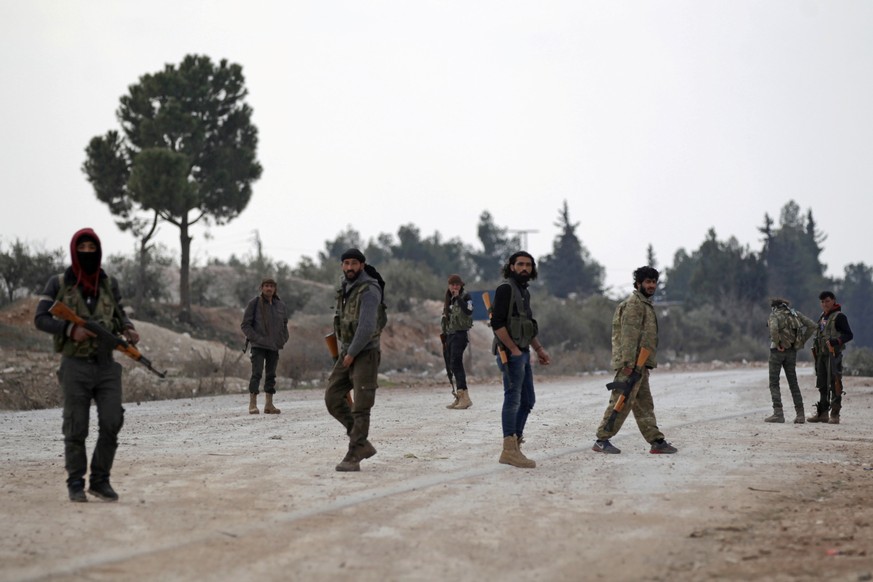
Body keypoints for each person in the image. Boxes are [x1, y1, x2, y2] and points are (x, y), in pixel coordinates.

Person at [34, 228, 139, 502]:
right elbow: (40, 318)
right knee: (76, 425)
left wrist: (128, 328)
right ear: (74, 250)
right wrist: (69, 330)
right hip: (75, 366)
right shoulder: (59, 283)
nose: (88, 253)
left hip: (106, 366)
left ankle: (100, 480)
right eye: (83, 248)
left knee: (112, 420)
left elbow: (119, 312)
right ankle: (75, 483)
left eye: (93, 249)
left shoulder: (108, 283)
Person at [592, 266, 676, 455]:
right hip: (632, 365)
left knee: (644, 403)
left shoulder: (644, 304)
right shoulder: (634, 304)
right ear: (638, 284)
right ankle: (601, 440)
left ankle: (656, 441)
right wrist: (629, 364)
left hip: (640, 364)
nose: (651, 285)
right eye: (648, 282)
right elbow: (628, 336)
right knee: (620, 401)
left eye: (654, 282)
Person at [325, 249, 387, 471]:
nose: (349, 267)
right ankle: (361, 442)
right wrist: (346, 351)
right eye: (346, 263)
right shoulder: (345, 288)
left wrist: (352, 353)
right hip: (347, 351)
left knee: (361, 406)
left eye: (353, 263)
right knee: (332, 397)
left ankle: (354, 453)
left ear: (362, 265)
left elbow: (367, 325)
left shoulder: (369, 289)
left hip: (365, 353)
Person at [491, 251, 550, 469]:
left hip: (523, 353)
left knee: (528, 401)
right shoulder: (506, 289)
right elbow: (497, 324)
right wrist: (514, 349)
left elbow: (527, 324)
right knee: (513, 399)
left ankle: (515, 445)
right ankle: (509, 450)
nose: (524, 268)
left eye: (528, 265)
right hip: (511, 354)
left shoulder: (524, 292)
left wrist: (539, 350)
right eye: (520, 264)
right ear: (512, 266)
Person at [240, 277, 290, 415]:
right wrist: (256, 338)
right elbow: (245, 325)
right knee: (256, 373)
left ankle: (269, 405)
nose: (269, 288)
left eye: (271, 286)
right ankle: (253, 404)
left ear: (275, 289)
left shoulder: (280, 305)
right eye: (266, 286)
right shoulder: (254, 303)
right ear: (261, 288)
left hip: (274, 346)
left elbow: (284, 324)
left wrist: (284, 338)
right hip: (258, 345)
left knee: (271, 375)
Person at [765, 298, 817, 423]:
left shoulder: (774, 315)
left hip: (777, 352)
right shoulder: (795, 314)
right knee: (793, 383)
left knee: (774, 382)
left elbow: (773, 330)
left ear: (774, 307)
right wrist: (801, 341)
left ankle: (778, 413)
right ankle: (800, 415)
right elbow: (812, 325)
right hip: (792, 352)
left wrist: (777, 343)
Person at [808, 291, 853, 424]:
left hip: (834, 355)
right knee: (822, 384)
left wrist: (836, 341)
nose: (824, 304)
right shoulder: (823, 316)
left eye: (827, 301)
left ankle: (835, 413)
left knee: (835, 383)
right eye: (822, 302)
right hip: (821, 355)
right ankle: (822, 413)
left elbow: (849, 335)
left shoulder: (839, 317)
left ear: (833, 300)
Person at [442, 274, 474, 410]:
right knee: (451, 364)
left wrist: (458, 298)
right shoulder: (448, 299)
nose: (455, 287)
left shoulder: (466, 297)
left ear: (461, 286)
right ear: (449, 286)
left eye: (457, 284)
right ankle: (459, 396)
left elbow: (468, 311)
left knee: (456, 362)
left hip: (460, 335)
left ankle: (465, 397)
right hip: (450, 335)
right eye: (452, 284)